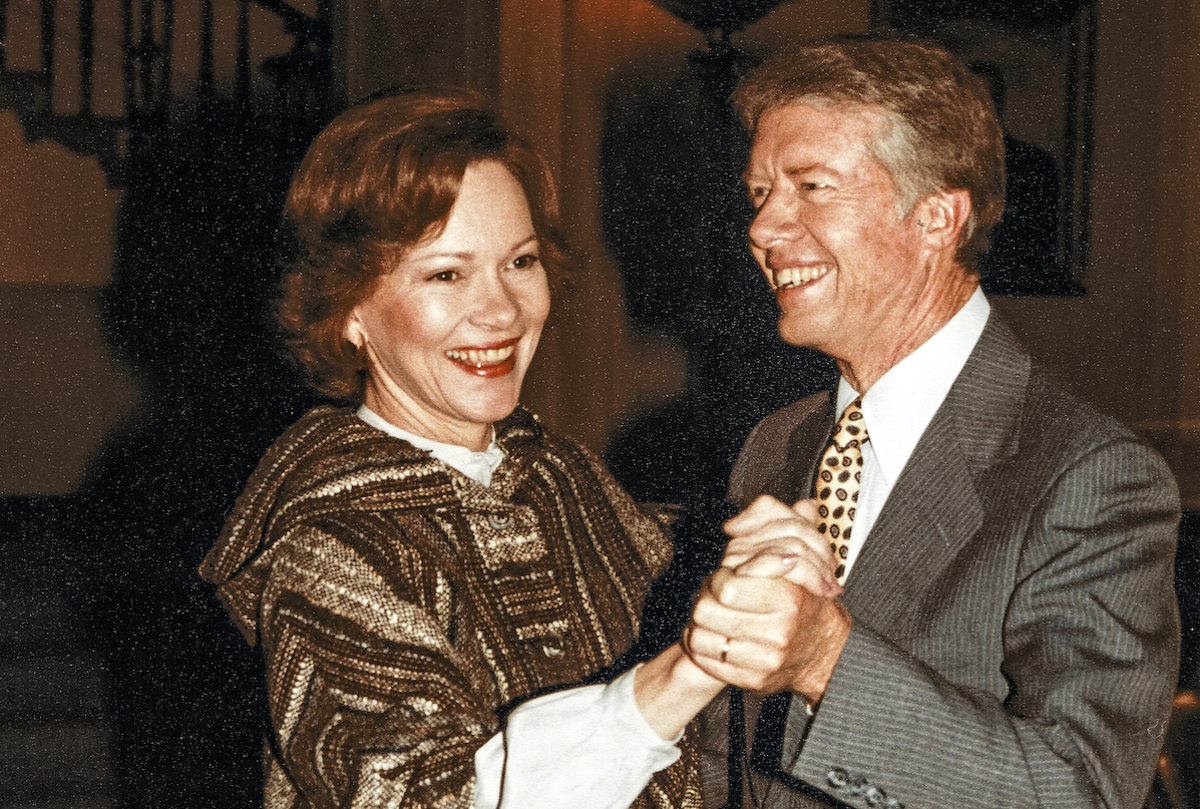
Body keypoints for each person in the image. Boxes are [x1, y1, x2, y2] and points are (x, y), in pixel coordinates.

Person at [680, 39, 1181, 809]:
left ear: (939, 216)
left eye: (812, 187)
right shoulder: (777, 444)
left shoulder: (1090, 475)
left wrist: (826, 659)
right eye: (759, 194)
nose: (766, 228)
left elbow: (1079, 791)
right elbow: (733, 759)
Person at [198, 88, 728, 809]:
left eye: (520, 261)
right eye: (447, 274)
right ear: (349, 309)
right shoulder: (329, 547)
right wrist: (689, 670)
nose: (502, 310)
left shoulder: (562, 476)